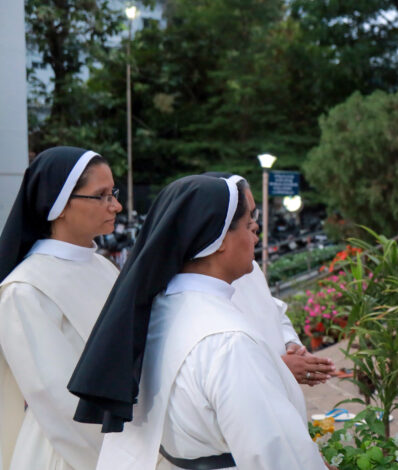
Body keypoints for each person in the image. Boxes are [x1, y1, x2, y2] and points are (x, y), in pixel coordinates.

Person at [68, 175, 329, 469]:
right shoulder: (229, 342)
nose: (256, 234)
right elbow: (275, 457)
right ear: (217, 240)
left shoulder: (162, 308)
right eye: (249, 224)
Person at [0, 147, 122, 470]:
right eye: (102, 195)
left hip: (126, 441)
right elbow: (57, 402)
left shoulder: (106, 269)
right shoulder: (25, 289)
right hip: (68, 453)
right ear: (60, 204)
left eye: (114, 193)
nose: (117, 205)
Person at [203, 173, 335, 386]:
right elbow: (223, 374)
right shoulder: (199, 295)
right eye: (248, 221)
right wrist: (280, 367)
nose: (256, 227)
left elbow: (274, 313)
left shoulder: (251, 269)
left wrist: (291, 345)